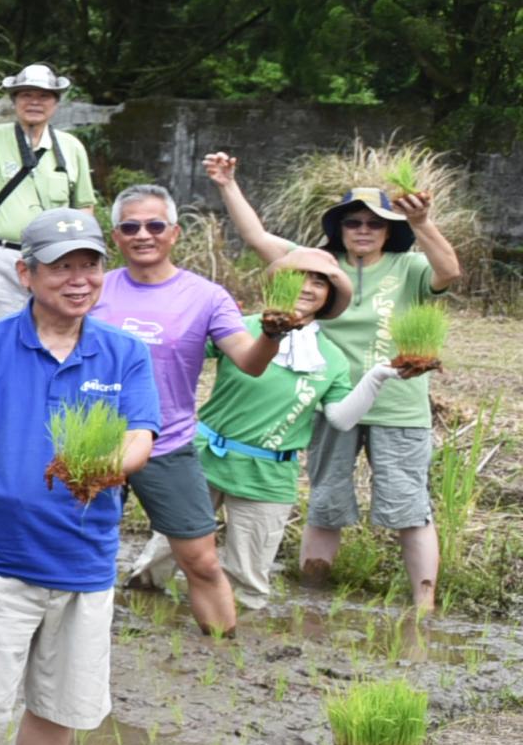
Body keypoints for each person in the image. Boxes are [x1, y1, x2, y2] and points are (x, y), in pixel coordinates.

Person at [0, 209, 160, 745]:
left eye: (90, 266)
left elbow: (139, 440)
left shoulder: (125, 353)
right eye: (62, 267)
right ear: (25, 274)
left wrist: (98, 468)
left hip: (82, 562)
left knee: (57, 710)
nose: (79, 280)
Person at [203, 155, 464, 612]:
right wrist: (227, 185)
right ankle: (312, 599)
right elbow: (258, 237)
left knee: (409, 506)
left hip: (399, 406)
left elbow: (449, 272)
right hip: (327, 402)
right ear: (339, 228)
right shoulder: (320, 267)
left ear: (389, 230)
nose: (363, 230)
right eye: (352, 222)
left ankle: (423, 607)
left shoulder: (409, 267)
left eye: (375, 223)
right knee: (326, 502)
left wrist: (423, 222)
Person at [127, 250, 388, 614]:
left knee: (248, 575)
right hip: (203, 458)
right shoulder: (238, 327)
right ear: (278, 282)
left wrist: (377, 378)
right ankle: (140, 616)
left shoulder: (330, 358)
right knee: (163, 552)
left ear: (329, 296)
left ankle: (230, 637)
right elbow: (178, 354)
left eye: (319, 282)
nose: (307, 287)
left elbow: (342, 419)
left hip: (269, 474)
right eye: (298, 276)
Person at [94, 185, 283, 637]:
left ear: (174, 233)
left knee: (200, 560)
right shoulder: (94, 288)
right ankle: (77, 640)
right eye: (130, 227)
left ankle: (223, 649)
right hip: (93, 443)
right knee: (79, 549)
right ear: (116, 236)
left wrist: (272, 334)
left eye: (155, 225)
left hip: (168, 443)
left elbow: (250, 362)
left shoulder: (206, 296)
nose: (143, 235)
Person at [0, 62, 96, 325]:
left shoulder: (71, 147)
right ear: (14, 100)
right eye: (26, 94)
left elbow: (84, 205)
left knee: (53, 327)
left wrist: (80, 255)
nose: (34, 102)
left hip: (53, 259)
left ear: (56, 103)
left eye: (44, 96)